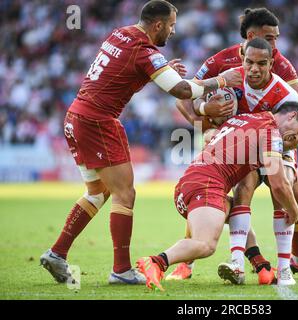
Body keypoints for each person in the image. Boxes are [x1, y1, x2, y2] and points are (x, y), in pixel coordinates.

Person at [39, 0, 242, 285]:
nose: (172, 32)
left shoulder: (120, 33)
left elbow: (122, 73)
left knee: (97, 192)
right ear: (158, 24)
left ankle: (57, 253)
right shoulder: (144, 51)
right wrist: (220, 80)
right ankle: (121, 270)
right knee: (125, 194)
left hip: (76, 117)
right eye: (171, 25)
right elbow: (183, 89)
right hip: (98, 121)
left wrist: (160, 71)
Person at [167, 8, 298, 283]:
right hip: (235, 141)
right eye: (270, 38)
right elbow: (183, 98)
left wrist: (282, 135)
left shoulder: (278, 62)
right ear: (250, 37)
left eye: (276, 39)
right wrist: (205, 117)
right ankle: (189, 262)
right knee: (213, 190)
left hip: (273, 138)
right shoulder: (222, 61)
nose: (275, 46)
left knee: (297, 196)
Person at [137, 101, 298, 290]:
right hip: (206, 186)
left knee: (238, 214)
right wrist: (294, 211)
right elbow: (279, 185)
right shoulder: (270, 132)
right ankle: (156, 262)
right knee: (205, 245)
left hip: (190, 184)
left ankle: (259, 262)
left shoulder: (242, 118)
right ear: (292, 116)